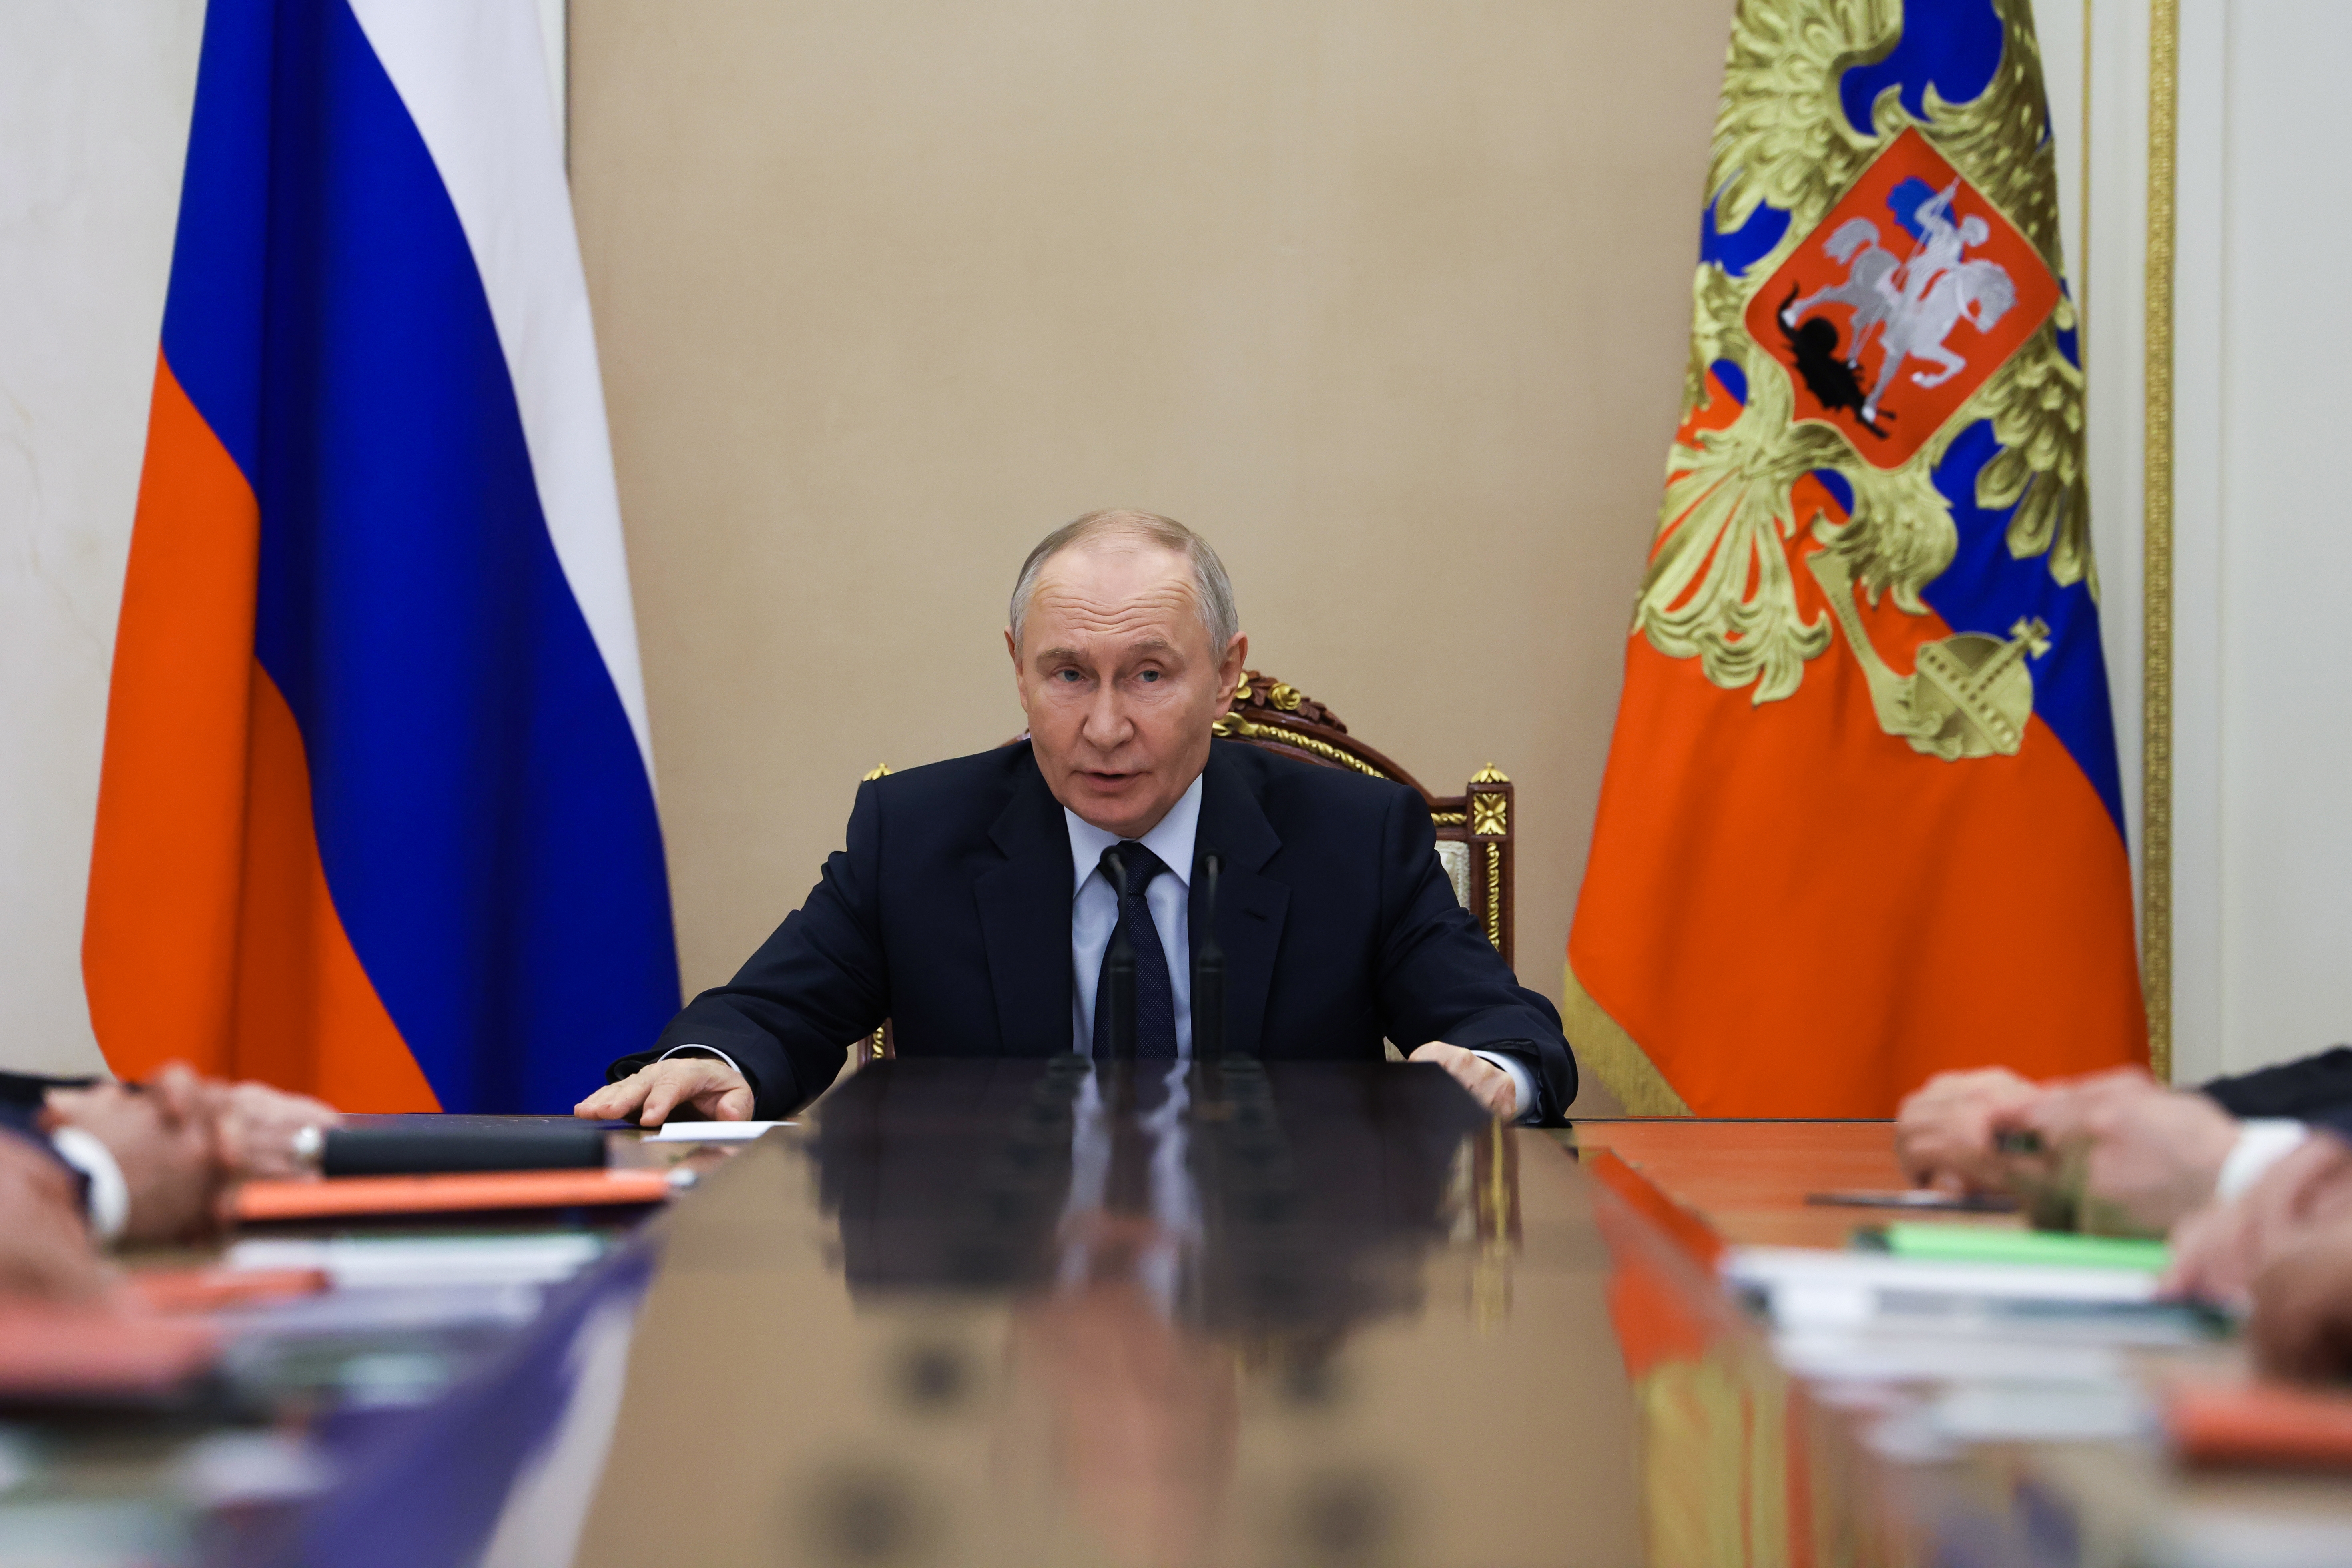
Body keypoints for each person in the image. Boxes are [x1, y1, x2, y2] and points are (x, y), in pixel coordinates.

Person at [577, 510, 1576, 1127]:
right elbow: (771, 1013)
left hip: (1273, 1315)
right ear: (1017, 666)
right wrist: (712, 1064)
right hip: (1004, 1310)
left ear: (1225, 675)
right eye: (1066, 675)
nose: (1105, 727)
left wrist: (1488, 1073)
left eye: (1149, 674)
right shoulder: (917, 834)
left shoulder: (1353, 838)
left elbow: (1506, 1031)